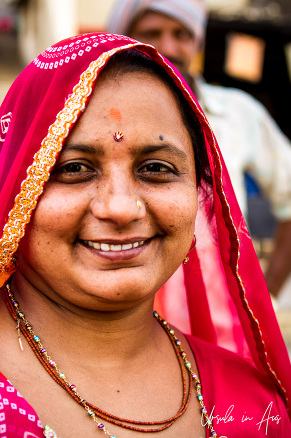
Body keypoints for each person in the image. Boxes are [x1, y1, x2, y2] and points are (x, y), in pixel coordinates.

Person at [0, 32, 290, 438]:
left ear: (202, 192)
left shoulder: (255, 411)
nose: (119, 208)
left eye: (155, 168)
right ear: (15, 187)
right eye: (74, 168)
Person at [107, 0, 291, 302]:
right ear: (123, 37)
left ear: (197, 42)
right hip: (120, 316)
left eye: (182, 34)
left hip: (222, 323)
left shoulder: (237, 113)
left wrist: (265, 295)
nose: (169, 46)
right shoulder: (92, 113)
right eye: (152, 32)